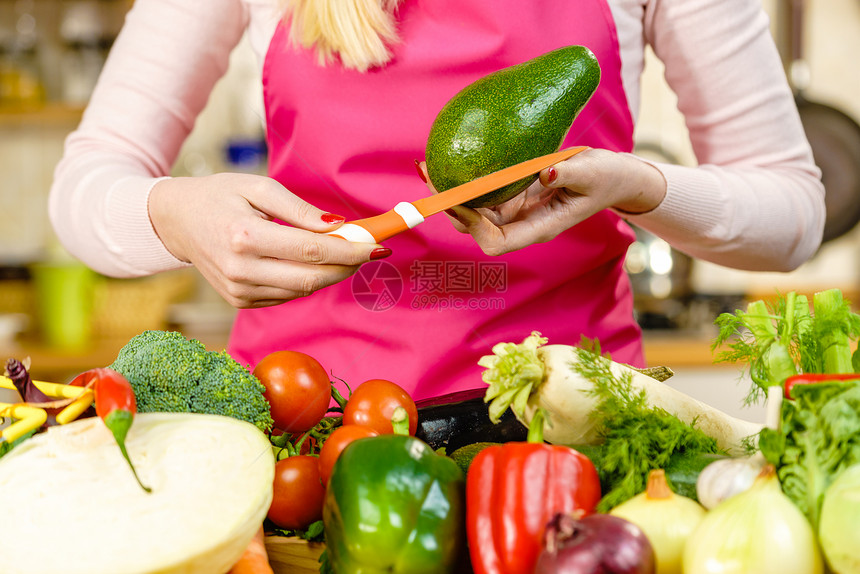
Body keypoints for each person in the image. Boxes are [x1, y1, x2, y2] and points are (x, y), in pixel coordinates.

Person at [49, 0, 824, 401]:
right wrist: (175, 216)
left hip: (571, 442)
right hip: (306, 439)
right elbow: (85, 189)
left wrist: (641, 187)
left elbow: (791, 215)